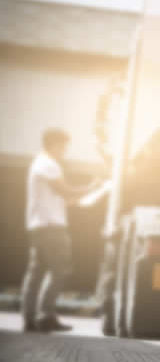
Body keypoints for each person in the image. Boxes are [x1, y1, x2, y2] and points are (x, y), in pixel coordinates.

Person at [21, 129, 98, 332]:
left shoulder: (38, 163)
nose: (65, 150)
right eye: (64, 145)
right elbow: (65, 191)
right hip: (52, 227)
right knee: (59, 270)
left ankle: (30, 318)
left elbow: (61, 198)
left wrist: (78, 199)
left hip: (39, 226)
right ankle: (45, 315)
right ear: (55, 144)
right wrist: (92, 188)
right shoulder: (48, 164)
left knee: (36, 272)